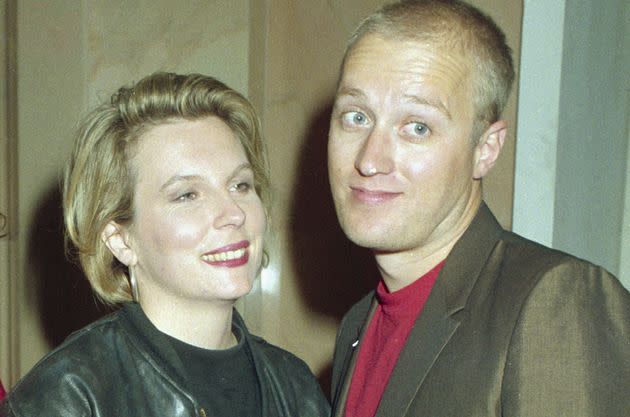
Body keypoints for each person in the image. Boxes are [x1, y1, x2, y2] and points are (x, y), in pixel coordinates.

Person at [327, 1, 630, 416]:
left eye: (417, 127)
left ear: (485, 150)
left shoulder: (552, 302)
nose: (369, 160)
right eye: (356, 117)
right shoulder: (357, 327)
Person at [0, 72, 329, 417]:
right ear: (120, 239)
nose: (232, 213)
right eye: (187, 195)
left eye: (241, 185)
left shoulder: (296, 387)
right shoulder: (66, 397)